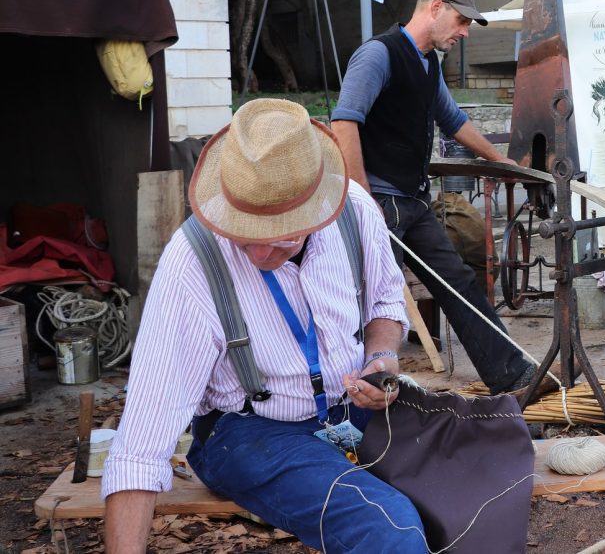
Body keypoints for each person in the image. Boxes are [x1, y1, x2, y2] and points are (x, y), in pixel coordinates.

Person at [103, 99, 427, 553]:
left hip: (351, 412)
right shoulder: (192, 262)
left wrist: (380, 359)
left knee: (469, 482)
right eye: (244, 234)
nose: (258, 257)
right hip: (250, 433)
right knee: (388, 530)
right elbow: (142, 441)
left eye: (281, 238)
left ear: (321, 208)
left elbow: (386, 302)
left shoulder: (353, 209)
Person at [329, 0, 539, 396]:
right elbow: (344, 121)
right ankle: (341, 392)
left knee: (456, 280)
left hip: (414, 199)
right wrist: (362, 197)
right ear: (435, 7)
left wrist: (500, 161)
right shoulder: (378, 55)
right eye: (461, 21)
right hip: (379, 201)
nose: (463, 32)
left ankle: (511, 374)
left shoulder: (428, 65)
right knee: (362, 296)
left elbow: (453, 119)